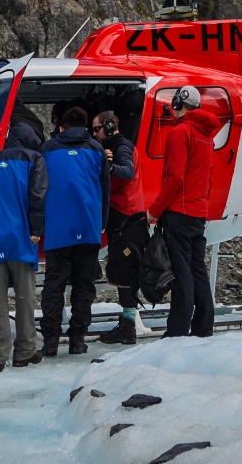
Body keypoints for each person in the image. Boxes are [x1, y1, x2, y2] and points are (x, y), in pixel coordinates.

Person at [0, 112, 46, 372]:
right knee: (25, 297)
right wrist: (37, 228)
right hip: (22, 236)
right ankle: (24, 353)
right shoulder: (34, 159)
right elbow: (37, 196)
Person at [38, 102, 109, 357]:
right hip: (88, 228)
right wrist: (102, 224)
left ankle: (50, 341)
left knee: (54, 285)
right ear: (85, 127)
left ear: (61, 126)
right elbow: (104, 189)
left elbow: (38, 187)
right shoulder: (96, 149)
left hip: (57, 229)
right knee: (84, 285)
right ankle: (78, 338)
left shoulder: (48, 148)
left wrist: (39, 221)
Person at [149, 85, 220, 338]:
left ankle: (177, 331)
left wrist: (155, 210)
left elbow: (175, 176)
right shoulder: (206, 136)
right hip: (198, 212)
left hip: (179, 213)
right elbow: (208, 178)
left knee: (181, 272)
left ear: (178, 104)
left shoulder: (180, 133)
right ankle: (203, 327)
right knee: (197, 269)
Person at [94, 108, 147, 345]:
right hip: (127, 218)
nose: (94, 134)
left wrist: (111, 167)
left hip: (126, 218)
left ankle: (128, 328)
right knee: (123, 271)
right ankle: (127, 325)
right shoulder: (119, 145)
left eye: (96, 129)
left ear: (108, 127)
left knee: (124, 273)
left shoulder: (121, 147)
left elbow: (127, 171)